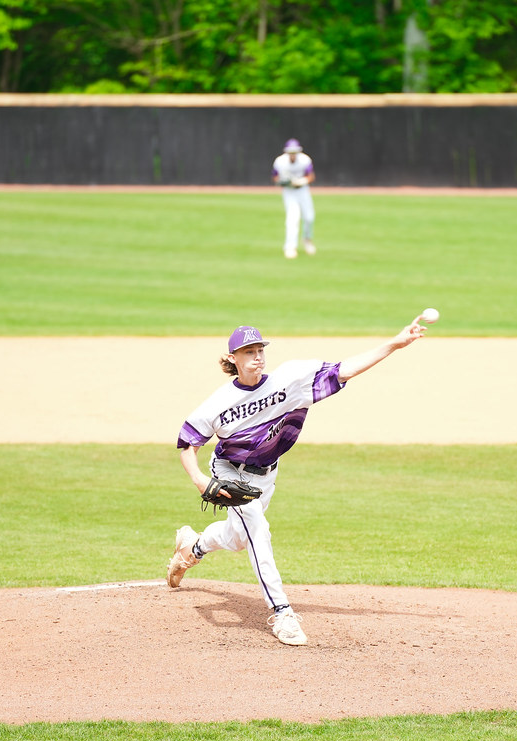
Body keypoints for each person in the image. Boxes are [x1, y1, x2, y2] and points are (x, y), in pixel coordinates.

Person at [168, 317, 429, 646]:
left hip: (266, 473)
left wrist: (394, 343)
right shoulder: (218, 403)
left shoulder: (291, 379)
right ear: (233, 358)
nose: (258, 356)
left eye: (260, 349)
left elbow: (343, 370)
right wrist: (199, 480)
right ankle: (282, 613)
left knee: (237, 539)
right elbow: (187, 444)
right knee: (258, 531)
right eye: (249, 351)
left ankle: (192, 547)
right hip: (229, 471)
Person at [271, 138, 316, 259]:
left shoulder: (304, 160)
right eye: (290, 152)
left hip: (302, 190)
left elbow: (311, 176)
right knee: (292, 218)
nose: (292, 155)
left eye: (294, 152)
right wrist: (283, 182)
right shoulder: (280, 162)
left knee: (309, 217)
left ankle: (307, 239)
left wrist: (302, 181)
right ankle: (290, 247)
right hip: (289, 192)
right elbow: (275, 177)